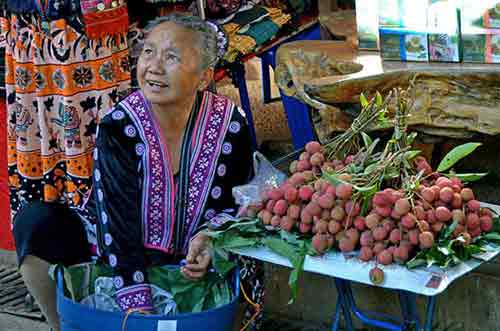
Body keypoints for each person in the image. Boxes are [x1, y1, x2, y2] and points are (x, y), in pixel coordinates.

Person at [13, 14, 264, 330]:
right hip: (118, 249)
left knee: (250, 245)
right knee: (37, 224)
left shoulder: (231, 124)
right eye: (148, 52)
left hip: (194, 258)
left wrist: (213, 237)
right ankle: (64, 325)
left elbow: (240, 200)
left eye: (171, 56)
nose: (154, 66)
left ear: (203, 77)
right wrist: (136, 304)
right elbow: (116, 222)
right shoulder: (120, 126)